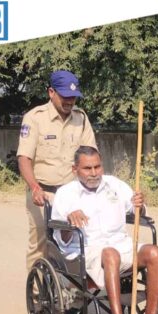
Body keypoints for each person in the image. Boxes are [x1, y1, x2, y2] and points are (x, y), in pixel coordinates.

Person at [51, 146, 158, 314]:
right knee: (110, 254)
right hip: (87, 250)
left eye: (97, 167)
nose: (94, 173)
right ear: (75, 169)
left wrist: (139, 204)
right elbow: (61, 238)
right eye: (87, 168)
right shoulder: (65, 194)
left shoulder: (115, 185)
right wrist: (69, 220)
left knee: (154, 252)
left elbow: (137, 211)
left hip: (121, 244)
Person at [17, 70, 97, 271]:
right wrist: (34, 187)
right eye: (65, 96)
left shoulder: (81, 118)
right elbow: (24, 158)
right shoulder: (35, 118)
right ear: (51, 92)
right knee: (41, 243)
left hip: (72, 193)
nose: (70, 101)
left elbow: (90, 154)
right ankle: (37, 287)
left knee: (78, 240)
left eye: (73, 97)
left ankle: (70, 285)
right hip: (43, 193)